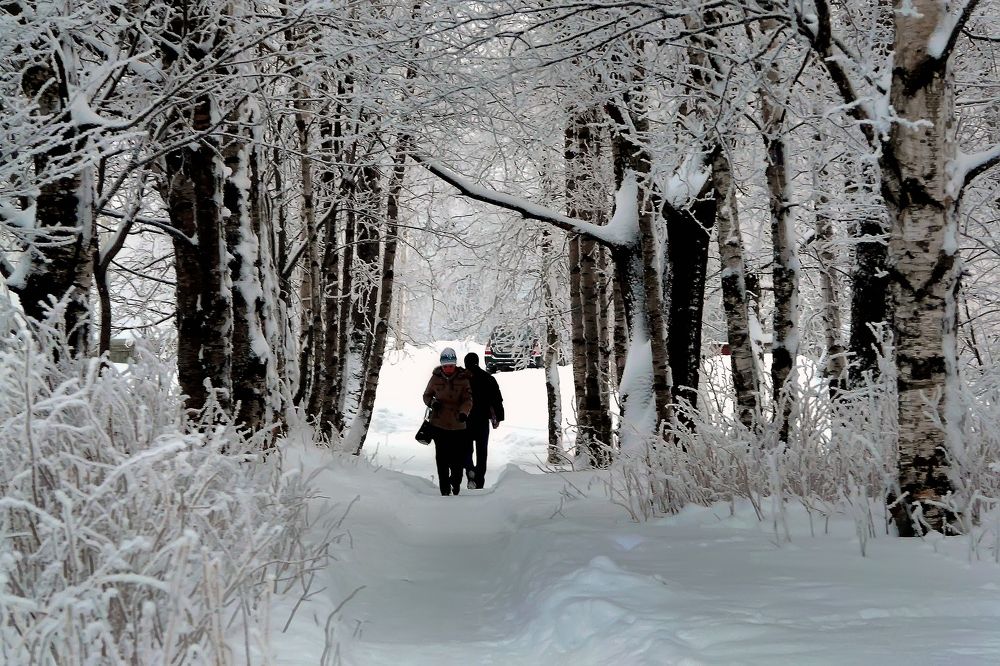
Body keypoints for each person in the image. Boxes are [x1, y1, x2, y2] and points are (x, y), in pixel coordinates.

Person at [423, 347, 473, 496]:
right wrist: (432, 403)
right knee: (442, 459)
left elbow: (468, 399)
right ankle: (444, 490)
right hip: (439, 424)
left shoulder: (463, 378)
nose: (448, 369)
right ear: (442, 366)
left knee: (457, 459)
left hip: (458, 425)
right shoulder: (435, 378)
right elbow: (426, 395)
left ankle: (455, 483)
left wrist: (464, 413)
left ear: (455, 365)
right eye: (445, 366)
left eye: (451, 366)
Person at [463, 352, 504, 489]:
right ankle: (479, 480)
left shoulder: (462, 379)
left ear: (466, 363)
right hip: (482, 421)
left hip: (465, 420)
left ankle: (470, 470)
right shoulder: (488, 378)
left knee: (466, 449)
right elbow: (497, 399)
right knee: (482, 452)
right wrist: (498, 417)